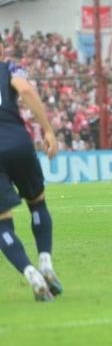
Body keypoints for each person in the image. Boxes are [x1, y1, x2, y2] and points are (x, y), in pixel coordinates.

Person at [0, 58, 63, 301]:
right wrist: (48, 129)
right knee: (37, 202)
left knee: (2, 222)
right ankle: (45, 262)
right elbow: (25, 89)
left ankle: (31, 273)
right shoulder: (9, 67)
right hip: (17, 143)